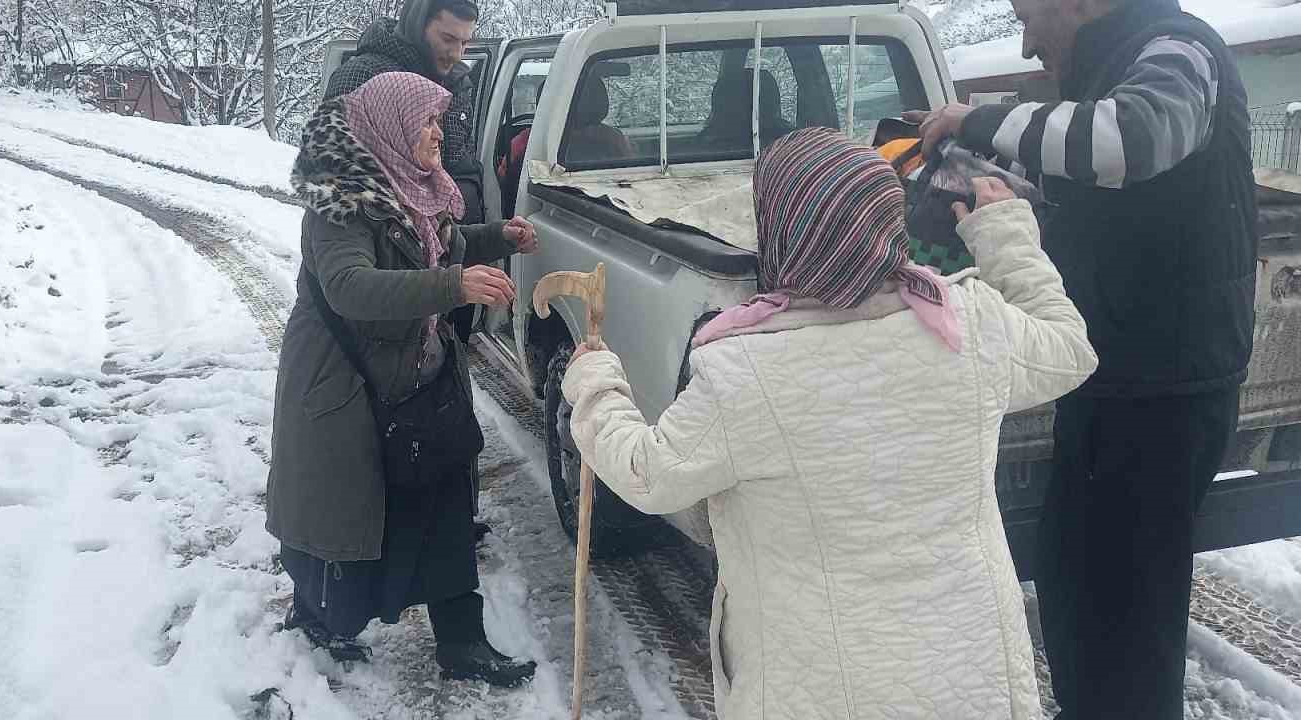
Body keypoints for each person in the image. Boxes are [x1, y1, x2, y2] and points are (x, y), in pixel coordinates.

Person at [562, 128, 1097, 719]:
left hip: (821, 690)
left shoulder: (746, 372)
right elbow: (1069, 350)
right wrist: (1005, 235)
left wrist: (595, 383)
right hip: (968, 678)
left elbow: (648, 473)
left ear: (780, 229)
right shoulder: (968, 326)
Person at [910, 0, 1257, 715]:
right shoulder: (1109, 70)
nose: (1028, 40)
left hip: (1165, 390)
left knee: (1126, 611)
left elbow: (1130, 140)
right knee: (1075, 586)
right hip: (1114, 379)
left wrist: (977, 120)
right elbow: (1092, 184)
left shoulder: (1178, 48)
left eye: (1026, 13)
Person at [266, 72, 538, 688]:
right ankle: (317, 620)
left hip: (418, 377)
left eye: (440, 121)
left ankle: (462, 641)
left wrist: (497, 239)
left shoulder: (415, 188)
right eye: (426, 122)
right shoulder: (340, 204)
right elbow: (350, 288)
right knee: (351, 516)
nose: (437, 134)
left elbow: (436, 245)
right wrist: (453, 285)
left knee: (443, 503)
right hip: (348, 390)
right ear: (389, 127)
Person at [327, 0, 487, 347]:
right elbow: (333, 175)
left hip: (439, 251)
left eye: (465, 43)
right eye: (447, 38)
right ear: (418, 25)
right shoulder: (363, 76)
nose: (457, 54)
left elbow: (457, 160)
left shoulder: (457, 83)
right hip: (384, 258)